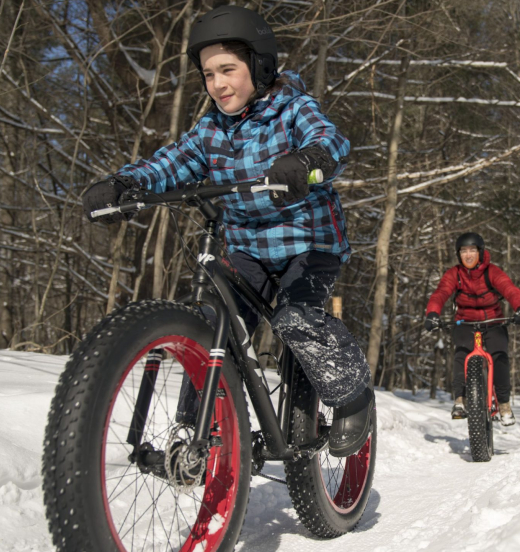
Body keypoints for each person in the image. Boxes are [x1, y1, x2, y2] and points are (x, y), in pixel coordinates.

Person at [80, 5, 372, 458]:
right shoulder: (211, 129)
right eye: (209, 74)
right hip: (246, 248)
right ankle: (200, 431)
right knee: (215, 325)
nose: (218, 83)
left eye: (228, 70)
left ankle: (351, 395)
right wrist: (127, 184)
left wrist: (307, 161)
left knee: (296, 320)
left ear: (259, 65)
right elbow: (173, 162)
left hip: (309, 244)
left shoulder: (293, 110)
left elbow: (330, 141)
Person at [423, 232, 520, 425]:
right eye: (464, 251)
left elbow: (509, 289)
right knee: (461, 353)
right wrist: (432, 313)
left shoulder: (492, 272)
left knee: (499, 355)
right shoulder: (454, 274)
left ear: (480, 252)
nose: (468, 255)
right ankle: (460, 399)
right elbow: (440, 293)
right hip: (465, 322)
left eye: (472, 250)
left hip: (493, 322)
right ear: (459, 254)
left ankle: (504, 404)